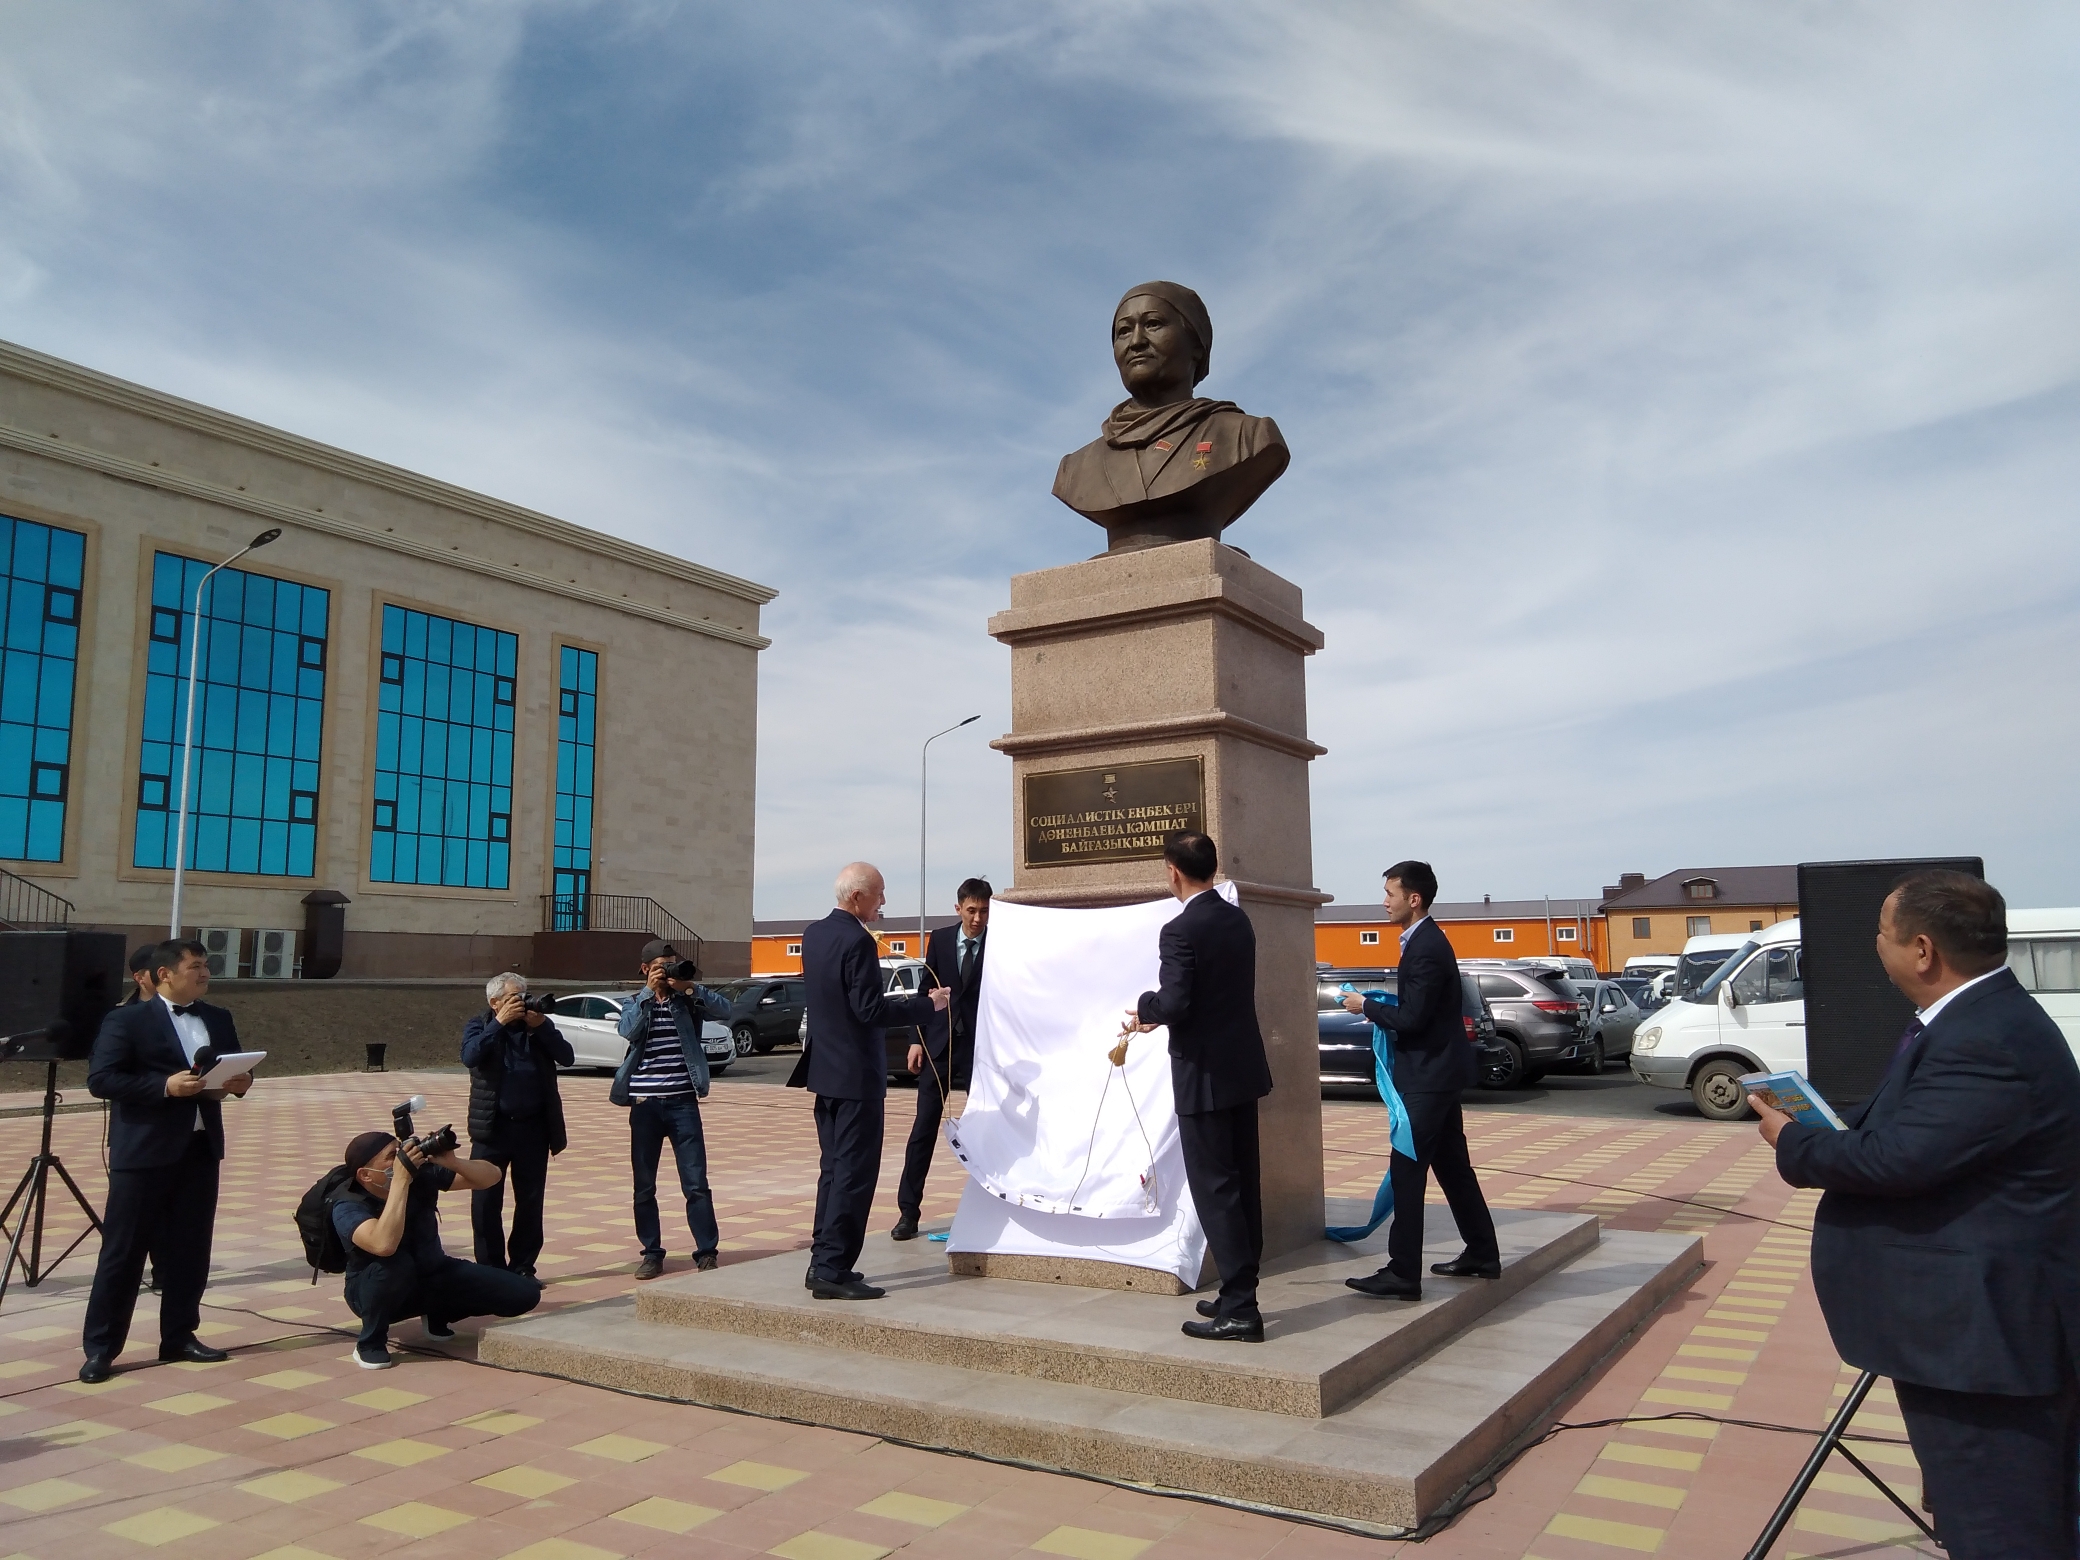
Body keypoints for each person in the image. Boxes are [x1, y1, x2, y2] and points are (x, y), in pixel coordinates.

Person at [1754, 871, 2080, 1557]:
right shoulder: (1973, 1020)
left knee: (2000, 1526)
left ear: (1923, 950)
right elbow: (1920, 1139)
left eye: (1881, 931)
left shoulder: (1983, 1037)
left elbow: (1898, 1161)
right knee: (1980, 1510)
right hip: (1967, 1334)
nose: (1875, 945)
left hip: (1984, 1343)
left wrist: (1793, 1141)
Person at [77, 938, 254, 1381]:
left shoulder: (218, 1017)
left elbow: (233, 1069)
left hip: (199, 1149)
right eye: (195, 966)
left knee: (190, 1250)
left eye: (206, 965)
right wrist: (163, 1087)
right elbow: (101, 1080)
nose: (205, 973)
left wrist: (240, 1082)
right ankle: (101, 1348)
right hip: (143, 1152)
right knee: (123, 1252)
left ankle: (179, 1335)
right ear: (164, 975)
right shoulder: (126, 1019)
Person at [1122, 833, 1274, 1343]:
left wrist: (1147, 1007)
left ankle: (1243, 1309)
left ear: (1173, 871)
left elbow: (1176, 1002)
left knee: (1215, 1190)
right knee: (1242, 1184)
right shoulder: (1237, 919)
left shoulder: (1180, 929)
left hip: (1204, 1077)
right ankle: (1237, 1290)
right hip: (1241, 1070)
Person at [1341, 861, 1498, 1301]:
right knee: (1452, 1168)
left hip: (1429, 1077)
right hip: (1438, 1073)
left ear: (1414, 899)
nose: (1384, 902)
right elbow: (1420, 1010)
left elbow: (1412, 1019)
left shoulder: (1425, 945)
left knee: (1407, 1171)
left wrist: (1365, 1006)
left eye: (1390, 894)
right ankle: (1482, 1253)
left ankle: (1403, 1272)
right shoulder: (1423, 941)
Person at [795, 862, 947, 1299]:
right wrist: (928, 1005)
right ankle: (830, 1268)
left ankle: (824, 1261)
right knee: (854, 1175)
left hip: (825, 1073)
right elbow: (869, 1010)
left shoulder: (814, 934)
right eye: (879, 893)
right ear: (857, 896)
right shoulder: (857, 940)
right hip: (856, 1077)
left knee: (833, 1171)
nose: (883, 901)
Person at [1052, 281, 1289, 554]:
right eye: (1124, 331)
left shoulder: (1246, 437)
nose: (1136, 342)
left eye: (1153, 324)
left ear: (1196, 345)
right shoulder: (1075, 469)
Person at [332, 1128, 541, 1369]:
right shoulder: (347, 1205)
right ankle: (370, 1342)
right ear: (366, 1175)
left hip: (431, 1272)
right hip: (374, 1289)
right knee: (393, 1265)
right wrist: (400, 1181)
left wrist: (453, 1162)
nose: (400, 1159)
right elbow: (384, 1245)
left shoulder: (420, 1176)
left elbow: (491, 1177)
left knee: (524, 1294)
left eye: (400, 1151)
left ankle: (438, 1314)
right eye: (391, 1157)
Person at [609, 940, 732, 1280]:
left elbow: (725, 1010)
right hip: (645, 1106)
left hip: (683, 1103)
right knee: (644, 1185)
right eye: (662, 966)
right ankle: (651, 1253)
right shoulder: (635, 1002)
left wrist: (690, 987)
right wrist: (648, 994)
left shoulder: (687, 1001)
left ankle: (706, 1252)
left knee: (696, 1182)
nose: (668, 971)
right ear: (645, 969)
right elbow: (628, 1031)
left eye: (672, 964)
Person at [893, 878, 991, 1240]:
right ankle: (908, 1213)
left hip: (980, 1051)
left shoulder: (999, 943)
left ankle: (991, 1209)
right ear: (958, 908)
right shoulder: (940, 938)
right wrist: (915, 1040)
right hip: (939, 1046)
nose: (977, 918)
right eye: (971, 911)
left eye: (984, 911)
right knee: (923, 1129)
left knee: (986, 1127)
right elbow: (924, 992)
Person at [460, 972, 574, 1278]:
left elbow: (567, 1057)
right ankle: (491, 1271)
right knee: (485, 1202)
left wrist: (543, 1027)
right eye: (514, 998)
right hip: (492, 1129)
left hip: (533, 1129)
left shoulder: (536, 1027)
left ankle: (523, 1267)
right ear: (494, 1002)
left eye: (524, 995)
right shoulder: (480, 1024)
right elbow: (470, 1056)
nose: (522, 1003)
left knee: (530, 1202)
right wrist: (498, 1024)